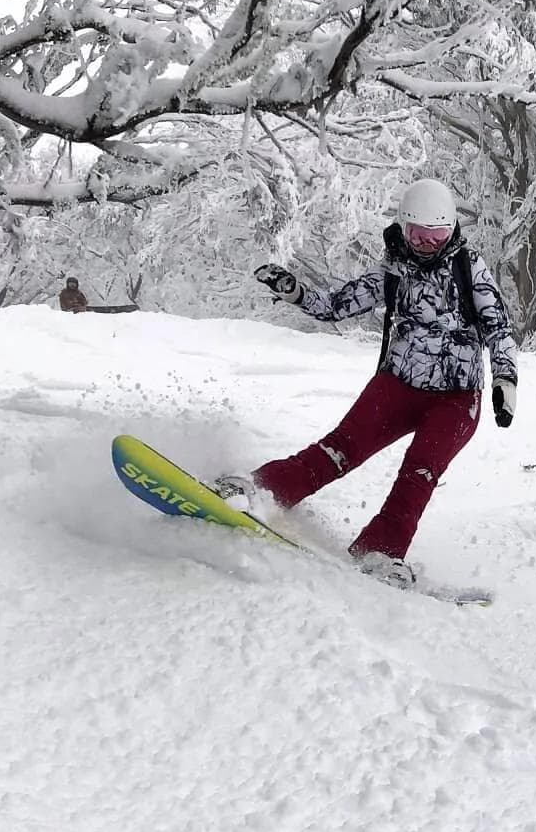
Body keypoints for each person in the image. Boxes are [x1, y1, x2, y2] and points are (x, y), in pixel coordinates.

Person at [218, 178, 518, 587]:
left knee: (420, 472)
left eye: (437, 236)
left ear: (452, 231)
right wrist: (296, 294)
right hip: (397, 384)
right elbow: (336, 305)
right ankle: (261, 490)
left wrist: (505, 379)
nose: (428, 244)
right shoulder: (392, 271)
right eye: (419, 235)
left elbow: (499, 329)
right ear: (404, 229)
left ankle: (381, 549)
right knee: (339, 448)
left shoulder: (471, 269)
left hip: (456, 399)